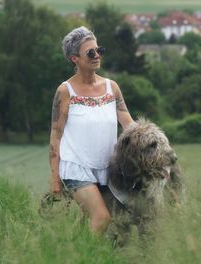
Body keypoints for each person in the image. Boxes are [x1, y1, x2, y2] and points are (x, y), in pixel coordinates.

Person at [49, 26, 133, 234]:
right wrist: (54, 177)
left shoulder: (111, 88)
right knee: (101, 217)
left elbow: (130, 126)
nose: (97, 56)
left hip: (107, 167)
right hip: (76, 167)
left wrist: (155, 150)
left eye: (99, 50)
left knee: (118, 221)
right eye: (90, 52)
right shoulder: (65, 91)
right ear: (74, 59)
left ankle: (72, 250)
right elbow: (56, 136)